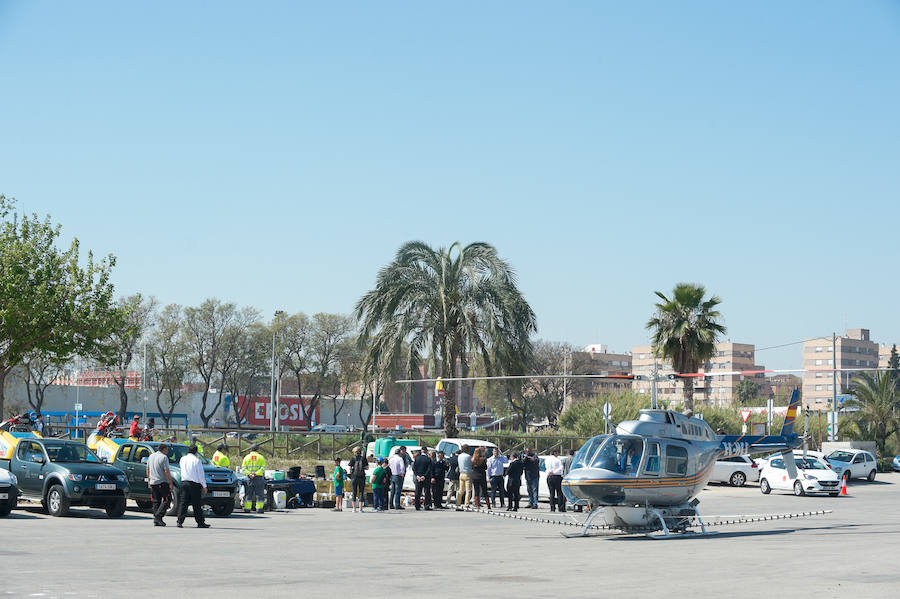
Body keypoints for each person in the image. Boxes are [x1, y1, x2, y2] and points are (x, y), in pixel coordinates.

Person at [177, 444, 210, 528]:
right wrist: (204, 486)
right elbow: (200, 475)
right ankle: (200, 522)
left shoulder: (182, 459)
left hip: (184, 482)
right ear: (196, 452)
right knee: (197, 504)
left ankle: (180, 521)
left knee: (183, 503)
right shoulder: (196, 460)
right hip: (194, 484)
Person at [147, 442, 174, 526]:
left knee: (156, 501)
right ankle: (158, 516)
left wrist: (149, 480)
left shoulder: (151, 456)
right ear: (164, 449)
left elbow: (147, 469)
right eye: (167, 450)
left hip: (153, 482)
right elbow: (166, 471)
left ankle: (156, 519)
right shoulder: (164, 457)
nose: (167, 451)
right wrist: (170, 482)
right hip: (162, 482)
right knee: (167, 499)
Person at [241, 444, 267, 513]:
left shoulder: (246, 457)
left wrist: (250, 474)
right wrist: (256, 473)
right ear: (258, 449)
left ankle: (247, 509)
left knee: (248, 494)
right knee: (259, 494)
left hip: (249, 478)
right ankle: (259, 509)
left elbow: (243, 469)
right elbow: (263, 468)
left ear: (251, 449)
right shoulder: (261, 457)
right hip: (258, 477)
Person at [348, 447, 369, 513]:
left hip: (354, 477)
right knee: (361, 492)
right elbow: (367, 467)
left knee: (354, 492)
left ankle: (354, 508)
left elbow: (350, 468)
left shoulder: (353, 458)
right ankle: (360, 509)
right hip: (362, 477)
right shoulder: (363, 458)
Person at [456, 445, 473, 509]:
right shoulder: (468, 456)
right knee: (468, 490)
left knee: (461, 490)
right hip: (467, 474)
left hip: (461, 473)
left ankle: (458, 503)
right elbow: (471, 464)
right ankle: (466, 504)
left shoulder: (459, 456)